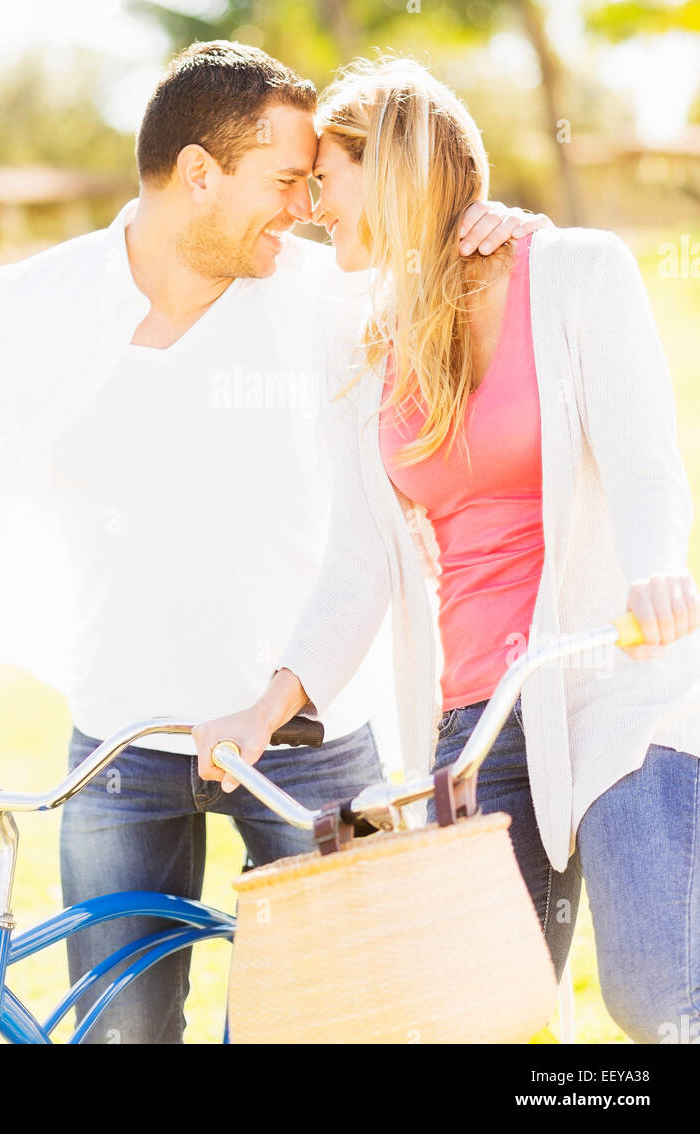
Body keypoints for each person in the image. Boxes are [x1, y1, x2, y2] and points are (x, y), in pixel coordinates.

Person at [0, 42, 544, 1045]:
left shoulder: (336, 302)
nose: (303, 205)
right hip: (119, 744)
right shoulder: (28, 310)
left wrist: (497, 234)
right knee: (121, 1035)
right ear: (198, 174)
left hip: (301, 745)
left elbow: (454, 312)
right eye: (285, 180)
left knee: (335, 1029)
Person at [193, 54, 700, 1045]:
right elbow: (358, 563)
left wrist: (657, 571)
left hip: (612, 679)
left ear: (386, 170)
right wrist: (267, 706)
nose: (307, 206)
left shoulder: (575, 272)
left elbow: (645, 468)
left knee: (657, 999)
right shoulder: (368, 345)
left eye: (323, 180)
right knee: (485, 1025)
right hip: (473, 728)